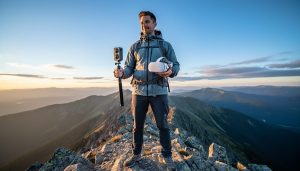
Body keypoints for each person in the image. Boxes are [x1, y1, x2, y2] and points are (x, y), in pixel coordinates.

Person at [114, 11, 180, 170]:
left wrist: (170, 71)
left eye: (148, 21)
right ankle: (136, 154)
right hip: (139, 92)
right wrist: (122, 73)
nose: (145, 25)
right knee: (137, 126)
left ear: (155, 23)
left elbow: (176, 65)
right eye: (142, 23)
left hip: (159, 91)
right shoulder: (135, 46)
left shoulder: (165, 45)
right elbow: (129, 68)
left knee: (163, 125)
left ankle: (167, 156)